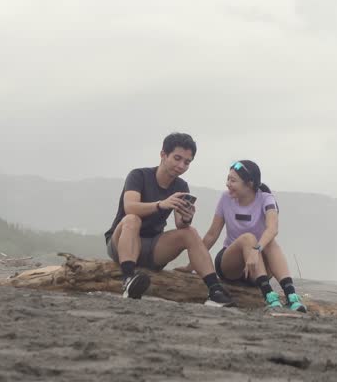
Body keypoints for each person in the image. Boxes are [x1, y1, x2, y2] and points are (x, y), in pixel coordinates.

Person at [104, 132, 235, 307]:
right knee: (133, 219)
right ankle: (128, 280)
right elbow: (130, 207)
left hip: (153, 246)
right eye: (177, 158)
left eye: (187, 162)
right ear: (163, 155)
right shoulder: (138, 176)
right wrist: (160, 204)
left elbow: (180, 224)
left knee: (189, 232)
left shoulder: (181, 186)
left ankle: (215, 290)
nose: (181, 165)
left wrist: (187, 218)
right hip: (122, 242)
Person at [189, 160, 307, 312]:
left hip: (257, 268)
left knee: (270, 242)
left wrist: (255, 251)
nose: (227, 184)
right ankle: (269, 297)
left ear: (249, 184)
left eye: (233, 180)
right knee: (248, 238)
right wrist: (191, 265)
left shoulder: (266, 198)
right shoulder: (225, 199)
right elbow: (212, 234)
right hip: (231, 266)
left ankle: (291, 296)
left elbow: (273, 228)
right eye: (228, 179)